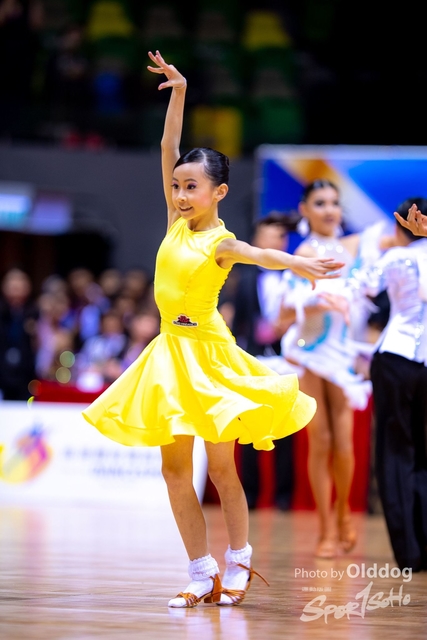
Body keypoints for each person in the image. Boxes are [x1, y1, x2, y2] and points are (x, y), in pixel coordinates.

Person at [82, 51, 344, 609]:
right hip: (168, 355)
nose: (180, 195)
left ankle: (239, 561)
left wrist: (300, 263)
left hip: (209, 357)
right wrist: (178, 91)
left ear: (218, 192)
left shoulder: (218, 241)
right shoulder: (175, 223)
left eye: (192, 187)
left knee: (222, 469)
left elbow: (259, 254)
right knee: (174, 469)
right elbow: (167, 146)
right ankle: (201, 574)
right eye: (177, 186)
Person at [277, 179, 394, 559]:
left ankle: (345, 514)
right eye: (320, 203)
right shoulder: (304, 253)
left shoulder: (358, 246)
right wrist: (317, 301)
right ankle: (326, 529)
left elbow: (398, 243)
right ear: (304, 210)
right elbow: (282, 314)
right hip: (310, 354)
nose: (329, 209)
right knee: (321, 441)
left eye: (333, 202)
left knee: (344, 444)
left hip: (343, 355)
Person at [350, 197, 427, 572]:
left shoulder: (397, 256)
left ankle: (410, 553)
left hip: (395, 358)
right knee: (419, 453)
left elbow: (363, 287)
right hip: (416, 362)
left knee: (395, 452)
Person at [231, 212, 301, 511]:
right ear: (257, 240)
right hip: (253, 359)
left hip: (287, 357)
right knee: (250, 428)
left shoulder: (294, 276)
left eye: (281, 236)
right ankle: (250, 494)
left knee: (285, 428)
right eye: (271, 235)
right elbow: (236, 319)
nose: (277, 241)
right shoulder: (244, 278)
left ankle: (284, 496)